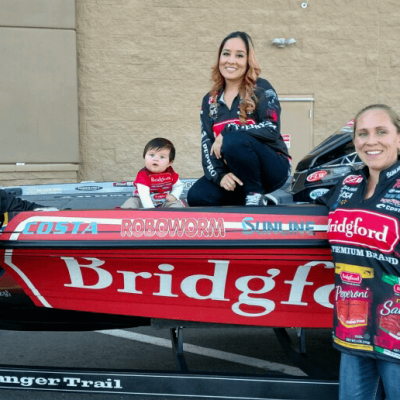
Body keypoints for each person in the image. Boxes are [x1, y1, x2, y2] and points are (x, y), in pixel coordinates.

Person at [318, 104, 400, 399]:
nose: (371, 141)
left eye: (381, 132)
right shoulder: (346, 185)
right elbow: (300, 194)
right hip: (352, 331)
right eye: (362, 134)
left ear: (399, 138)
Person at [187, 31, 290, 207]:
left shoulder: (262, 88)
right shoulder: (209, 100)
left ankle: (255, 195)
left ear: (248, 61)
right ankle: (256, 199)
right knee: (197, 196)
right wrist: (220, 176)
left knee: (233, 141)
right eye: (226, 54)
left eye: (239, 55)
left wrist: (228, 131)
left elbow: (271, 129)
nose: (231, 60)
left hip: (272, 168)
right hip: (237, 171)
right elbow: (207, 143)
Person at [121, 137, 184, 209]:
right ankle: (125, 215)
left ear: (170, 163)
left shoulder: (171, 173)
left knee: (177, 206)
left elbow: (179, 186)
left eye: (162, 157)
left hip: (164, 200)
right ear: (144, 156)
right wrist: (151, 211)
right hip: (142, 201)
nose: (155, 159)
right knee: (131, 203)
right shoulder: (143, 174)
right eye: (151, 155)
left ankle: (173, 217)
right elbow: (144, 196)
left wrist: (174, 195)